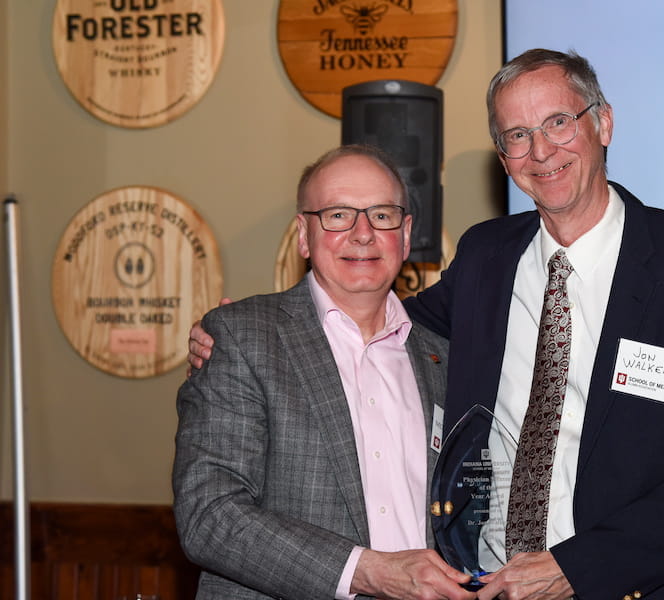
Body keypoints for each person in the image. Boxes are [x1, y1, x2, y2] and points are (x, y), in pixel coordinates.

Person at [191, 49, 664, 599]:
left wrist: (579, 568)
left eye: (559, 122)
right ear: (504, 158)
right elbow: (376, 318)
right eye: (517, 135)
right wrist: (244, 332)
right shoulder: (487, 257)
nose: (541, 151)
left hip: (657, 587)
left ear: (602, 123)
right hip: (491, 586)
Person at [173, 145, 475, 600]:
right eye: (337, 215)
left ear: (406, 233)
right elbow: (209, 515)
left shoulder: (445, 359)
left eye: (382, 215)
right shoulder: (244, 338)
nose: (362, 234)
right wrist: (368, 571)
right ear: (302, 235)